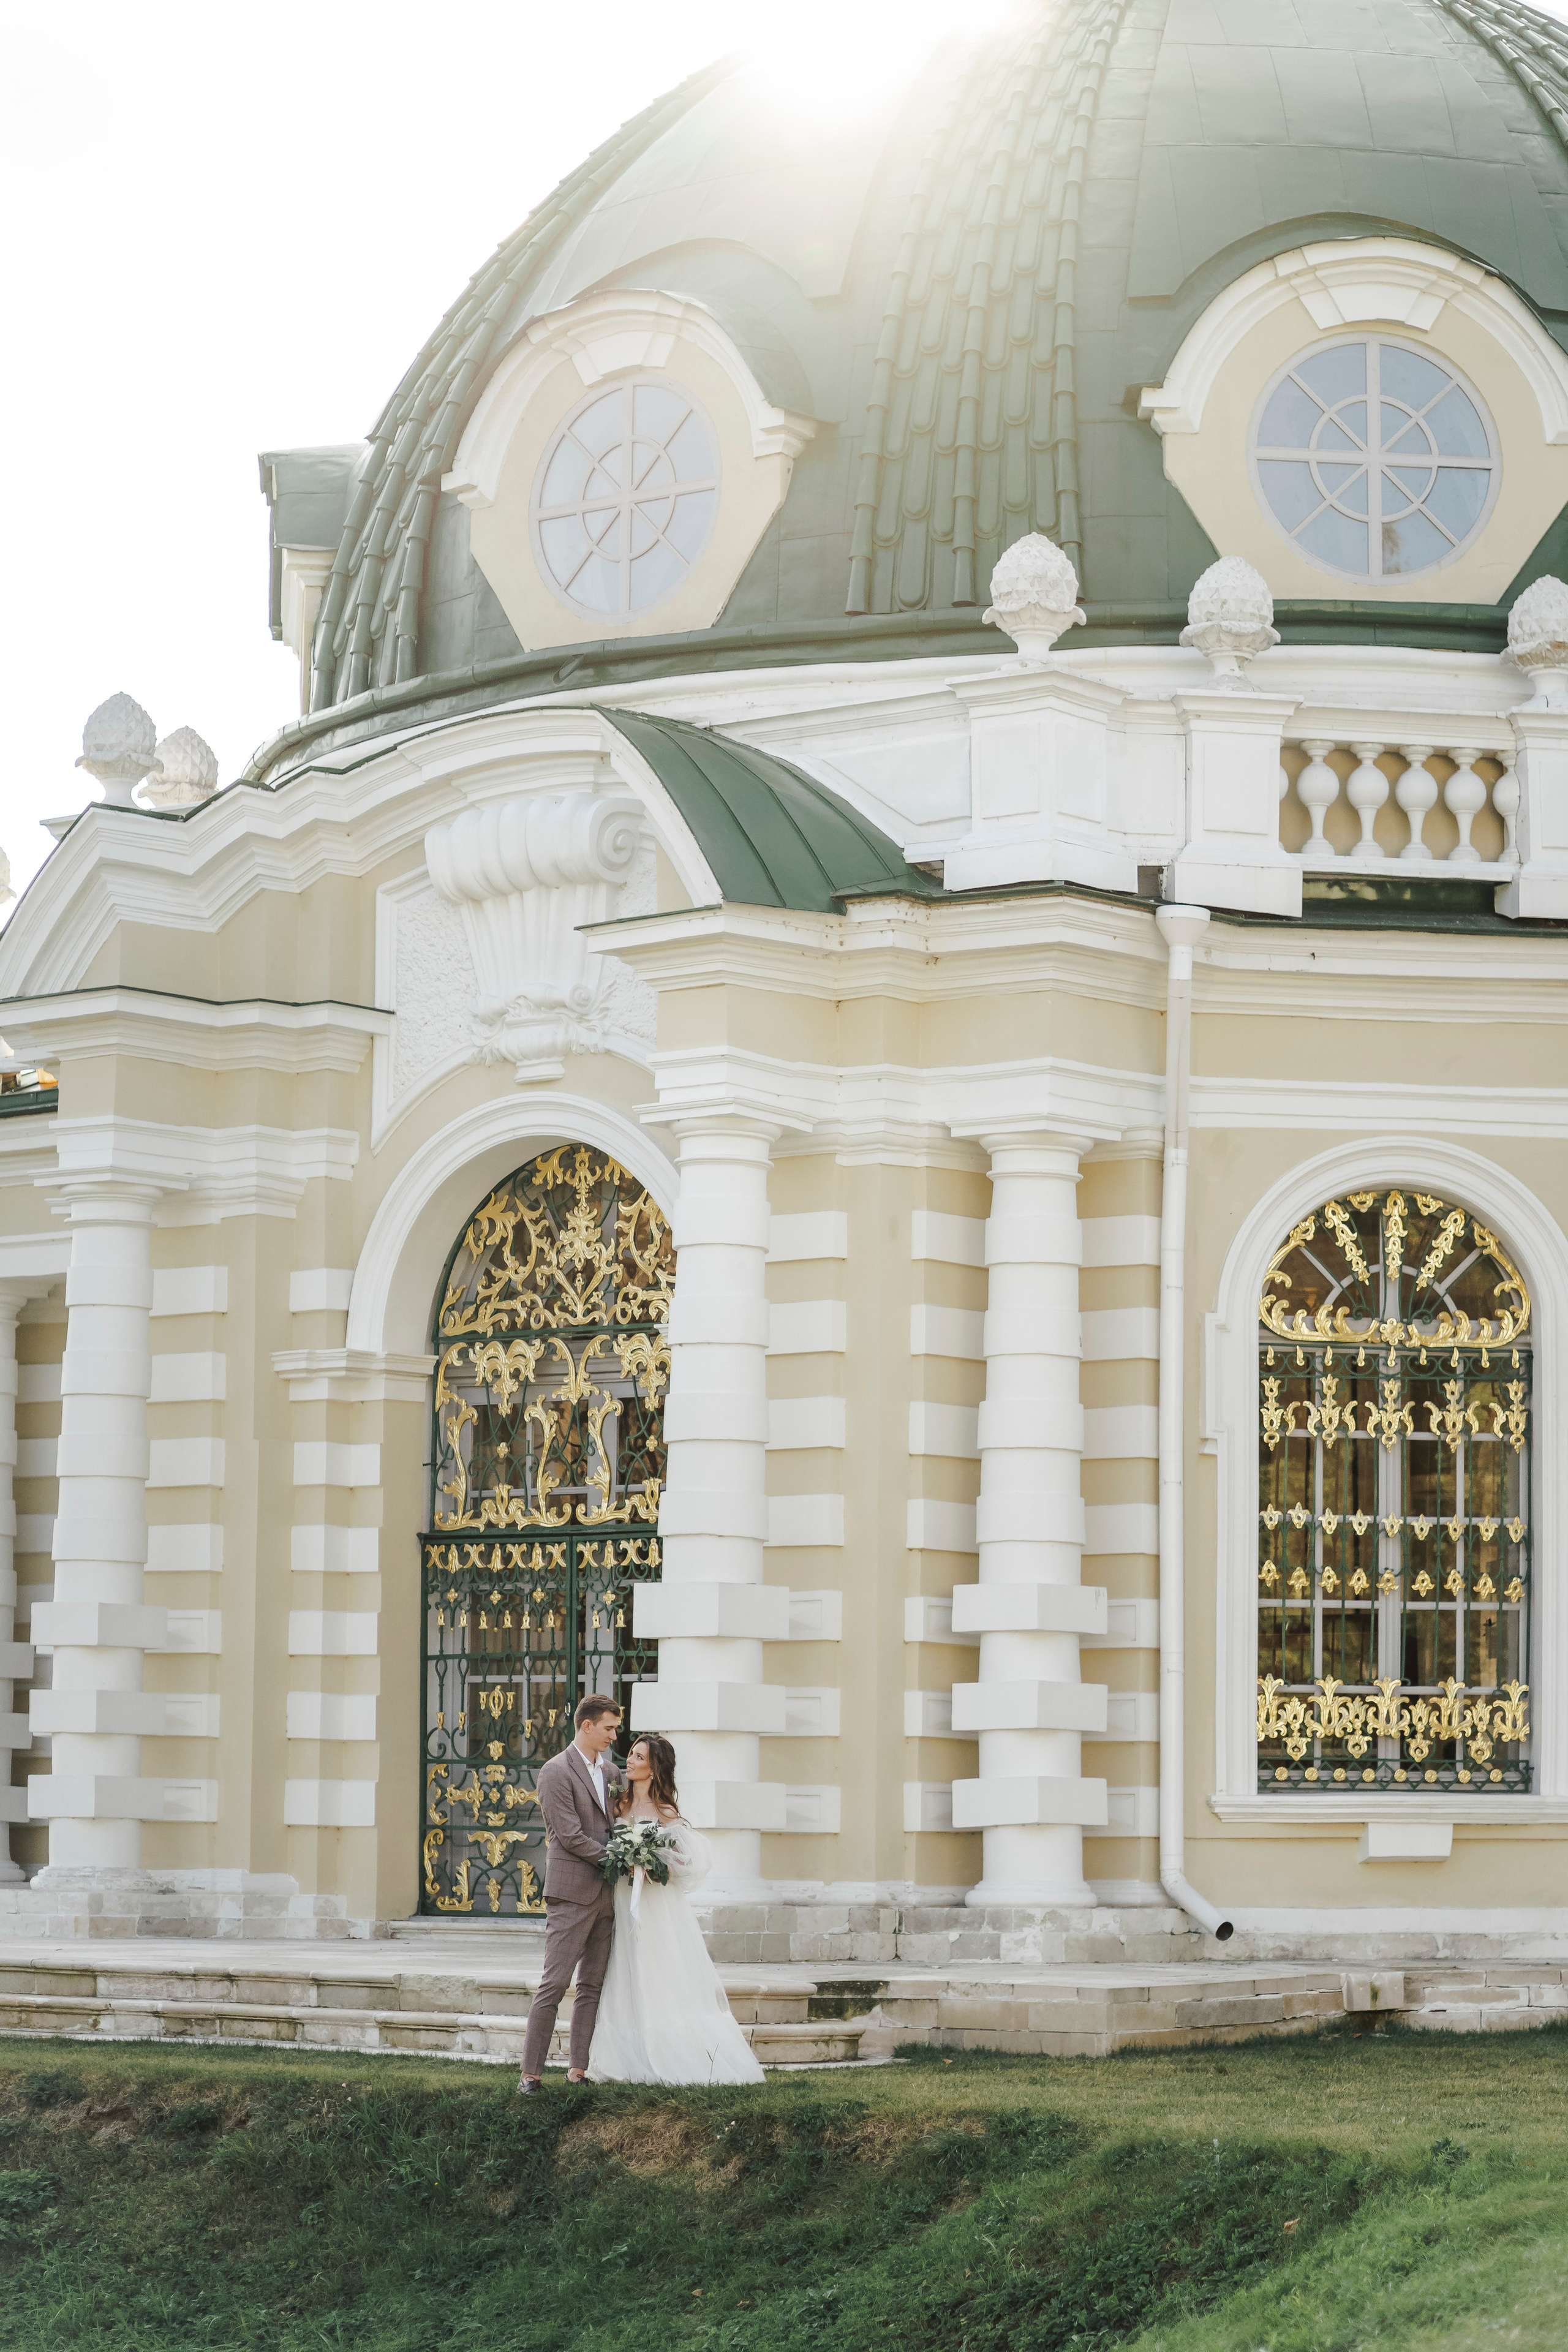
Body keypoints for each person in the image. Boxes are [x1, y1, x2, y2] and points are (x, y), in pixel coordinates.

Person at [587, 1731, 765, 2086]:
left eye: (639, 1757)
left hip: (654, 1904)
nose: (630, 1761)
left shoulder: (665, 1812)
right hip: (620, 1898)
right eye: (632, 1754)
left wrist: (651, 1865)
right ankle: (625, 2060)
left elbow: (689, 1860)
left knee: (656, 1969)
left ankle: (672, 2053)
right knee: (623, 1969)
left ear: (654, 1769)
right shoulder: (617, 1805)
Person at [517, 1694, 625, 2094]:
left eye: (616, 1728)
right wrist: (621, 1860)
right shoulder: (555, 1771)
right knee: (555, 1984)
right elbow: (569, 1836)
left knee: (591, 1986)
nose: (614, 1736)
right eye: (609, 1728)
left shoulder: (612, 1772)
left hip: (607, 1895)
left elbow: (620, 1823)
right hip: (571, 1892)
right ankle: (530, 2075)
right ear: (587, 1726)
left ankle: (578, 2070)